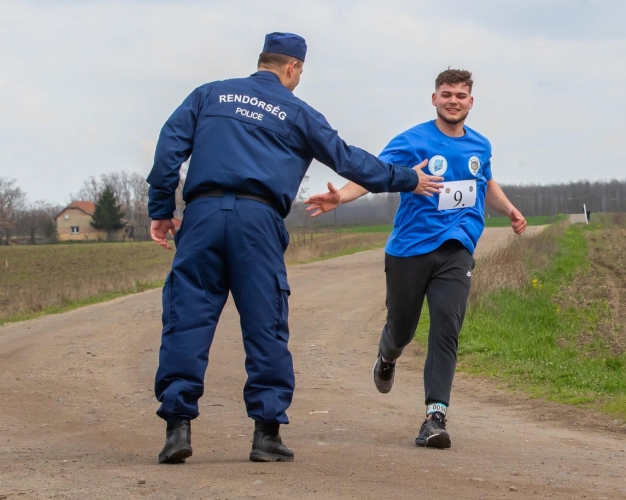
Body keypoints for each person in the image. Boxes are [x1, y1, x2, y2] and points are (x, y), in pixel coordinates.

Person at [147, 32, 443, 465]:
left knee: (186, 318)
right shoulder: (298, 112)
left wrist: (161, 209)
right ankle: (265, 435)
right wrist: (408, 178)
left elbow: (168, 149)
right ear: (293, 67)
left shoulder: (209, 95)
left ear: (262, 61)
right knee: (265, 323)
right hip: (257, 221)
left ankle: (177, 429)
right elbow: (349, 160)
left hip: (202, 217)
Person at [305, 69, 526, 449]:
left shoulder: (480, 145)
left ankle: (435, 418)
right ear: (434, 98)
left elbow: (485, 182)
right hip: (410, 249)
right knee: (402, 329)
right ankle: (387, 356)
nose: (453, 101)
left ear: (471, 102)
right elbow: (373, 173)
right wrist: (341, 196)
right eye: (446, 94)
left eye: (460, 95)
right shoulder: (412, 140)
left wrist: (509, 209)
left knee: (446, 327)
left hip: (457, 250)